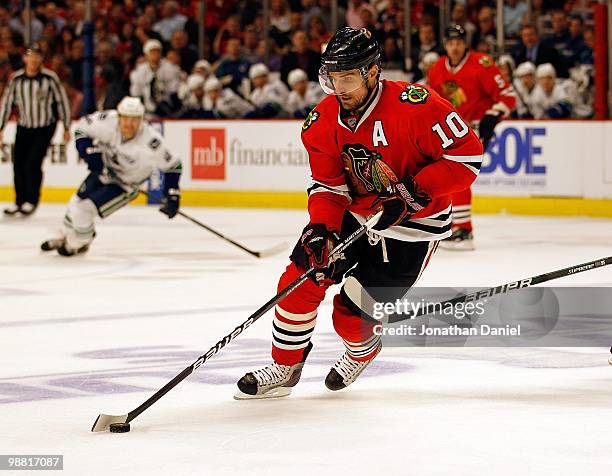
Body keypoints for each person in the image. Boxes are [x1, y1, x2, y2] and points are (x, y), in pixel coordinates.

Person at [235, 28, 483, 399]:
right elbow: (328, 185)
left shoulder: (418, 106)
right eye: (332, 78)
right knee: (299, 279)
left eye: (348, 77)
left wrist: (413, 193)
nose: (339, 88)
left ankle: (362, 349)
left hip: (415, 225)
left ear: (372, 72)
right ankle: (286, 366)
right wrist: (321, 227)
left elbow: (467, 156)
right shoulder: (321, 122)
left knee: (351, 314)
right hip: (357, 212)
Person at [41, 97, 182, 257]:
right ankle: (67, 234)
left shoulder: (151, 142)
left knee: (84, 210)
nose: (129, 124)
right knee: (76, 201)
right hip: (104, 171)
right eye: (125, 118)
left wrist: (172, 195)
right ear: (119, 116)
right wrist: (88, 151)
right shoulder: (107, 120)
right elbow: (81, 128)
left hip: (125, 185)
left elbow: (174, 165)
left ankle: (78, 242)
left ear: (141, 120)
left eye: (134, 120)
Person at [428, 25, 516, 250]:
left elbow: (508, 95)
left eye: (458, 42)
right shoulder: (437, 69)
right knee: (449, 174)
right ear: (445, 45)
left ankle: (464, 229)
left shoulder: (482, 64)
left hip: (475, 129)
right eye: (450, 43)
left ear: (465, 43)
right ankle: (457, 225)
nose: (455, 47)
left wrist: (492, 115)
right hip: (448, 131)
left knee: (458, 172)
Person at [0, 44, 71, 217]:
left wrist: (67, 126)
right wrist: (1, 127)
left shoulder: (49, 78)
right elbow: (7, 103)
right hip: (24, 126)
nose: (33, 60)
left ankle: (31, 200)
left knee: (33, 162)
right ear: (25, 58)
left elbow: (61, 101)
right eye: (30, 56)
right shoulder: (16, 79)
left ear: (41, 59)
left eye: (37, 56)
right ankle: (19, 201)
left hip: (45, 126)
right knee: (18, 163)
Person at [129, 39, 181, 116]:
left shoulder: (170, 69)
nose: (155, 55)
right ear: (146, 54)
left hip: (166, 110)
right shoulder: (140, 72)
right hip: (147, 111)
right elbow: (136, 93)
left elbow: (174, 91)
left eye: (157, 52)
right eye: (152, 52)